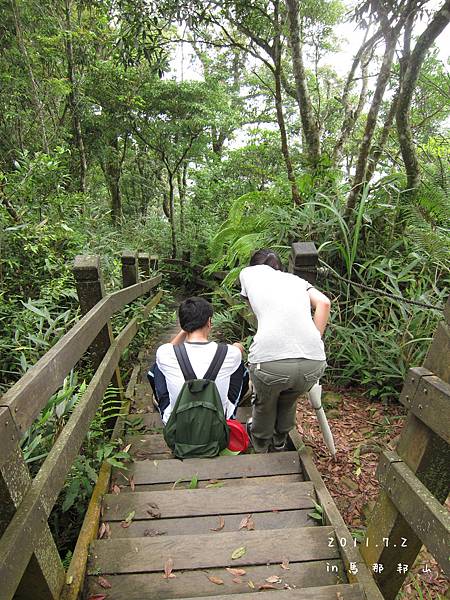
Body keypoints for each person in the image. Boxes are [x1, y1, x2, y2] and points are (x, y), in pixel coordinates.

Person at [240, 249, 331, 453]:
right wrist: (313, 341)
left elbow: (253, 305)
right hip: (313, 363)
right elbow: (324, 303)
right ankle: (279, 440)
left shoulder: (248, 273)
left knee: (266, 402)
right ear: (280, 267)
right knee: (288, 400)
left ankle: (261, 444)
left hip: (270, 363)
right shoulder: (296, 280)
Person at [148, 297, 248, 425]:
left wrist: (186, 327)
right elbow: (238, 350)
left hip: (176, 425)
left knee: (157, 367)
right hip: (218, 423)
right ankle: (231, 413)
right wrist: (238, 346)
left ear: (182, 324)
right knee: (239, 366)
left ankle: (161, 403)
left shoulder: (164, 352)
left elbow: (170, 347)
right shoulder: (229, 353)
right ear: (209, 322)